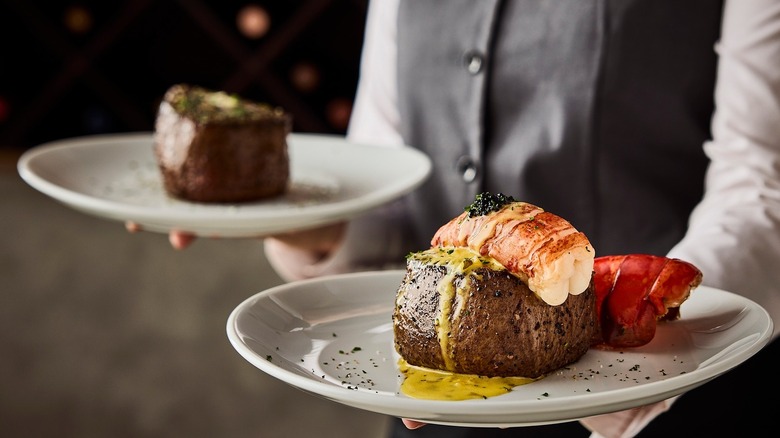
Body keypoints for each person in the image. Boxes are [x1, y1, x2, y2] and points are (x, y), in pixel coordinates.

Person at [132, 0, 780, 436]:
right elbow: (394, 184)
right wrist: (302, 221)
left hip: (678, 396)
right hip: (437, 404)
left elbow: (762, 186)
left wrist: (643, 340)